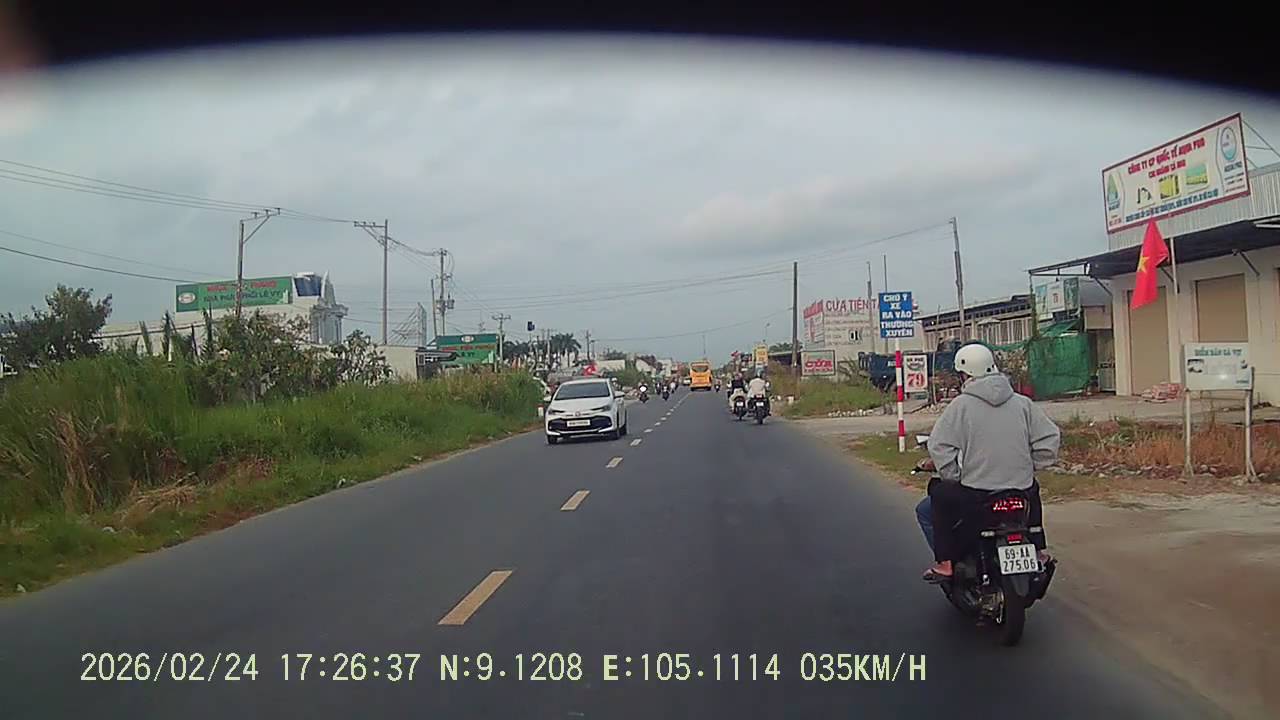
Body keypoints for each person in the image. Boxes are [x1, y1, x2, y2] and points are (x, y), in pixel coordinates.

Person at [917, 342, 1060, 583]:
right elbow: (1049, 438)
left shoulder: (960, 406)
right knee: (1032, 489)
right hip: (1020, 489)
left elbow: (939, 446)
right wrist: (1032, 465)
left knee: (938, 494)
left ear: (965, 375)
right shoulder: (1022, 403)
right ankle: (1037, 550)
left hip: (977, 494)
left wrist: (953, 475)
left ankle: (945, 563)